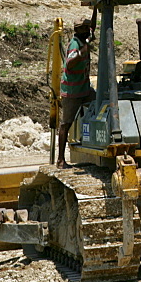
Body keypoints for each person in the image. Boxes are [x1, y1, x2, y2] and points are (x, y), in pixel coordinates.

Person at [57, 18, 96, 169]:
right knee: (66, 124)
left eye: (87, 27)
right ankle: (60, 160)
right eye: (84, 28)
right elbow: (70, 63)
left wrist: (95, 8)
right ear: (77, 30)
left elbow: (93, 27)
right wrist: (82, 53)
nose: (87, 30)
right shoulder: (75, 44)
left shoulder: (85, 38)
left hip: (84, 89)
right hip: (72, 92)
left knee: (99, 105)